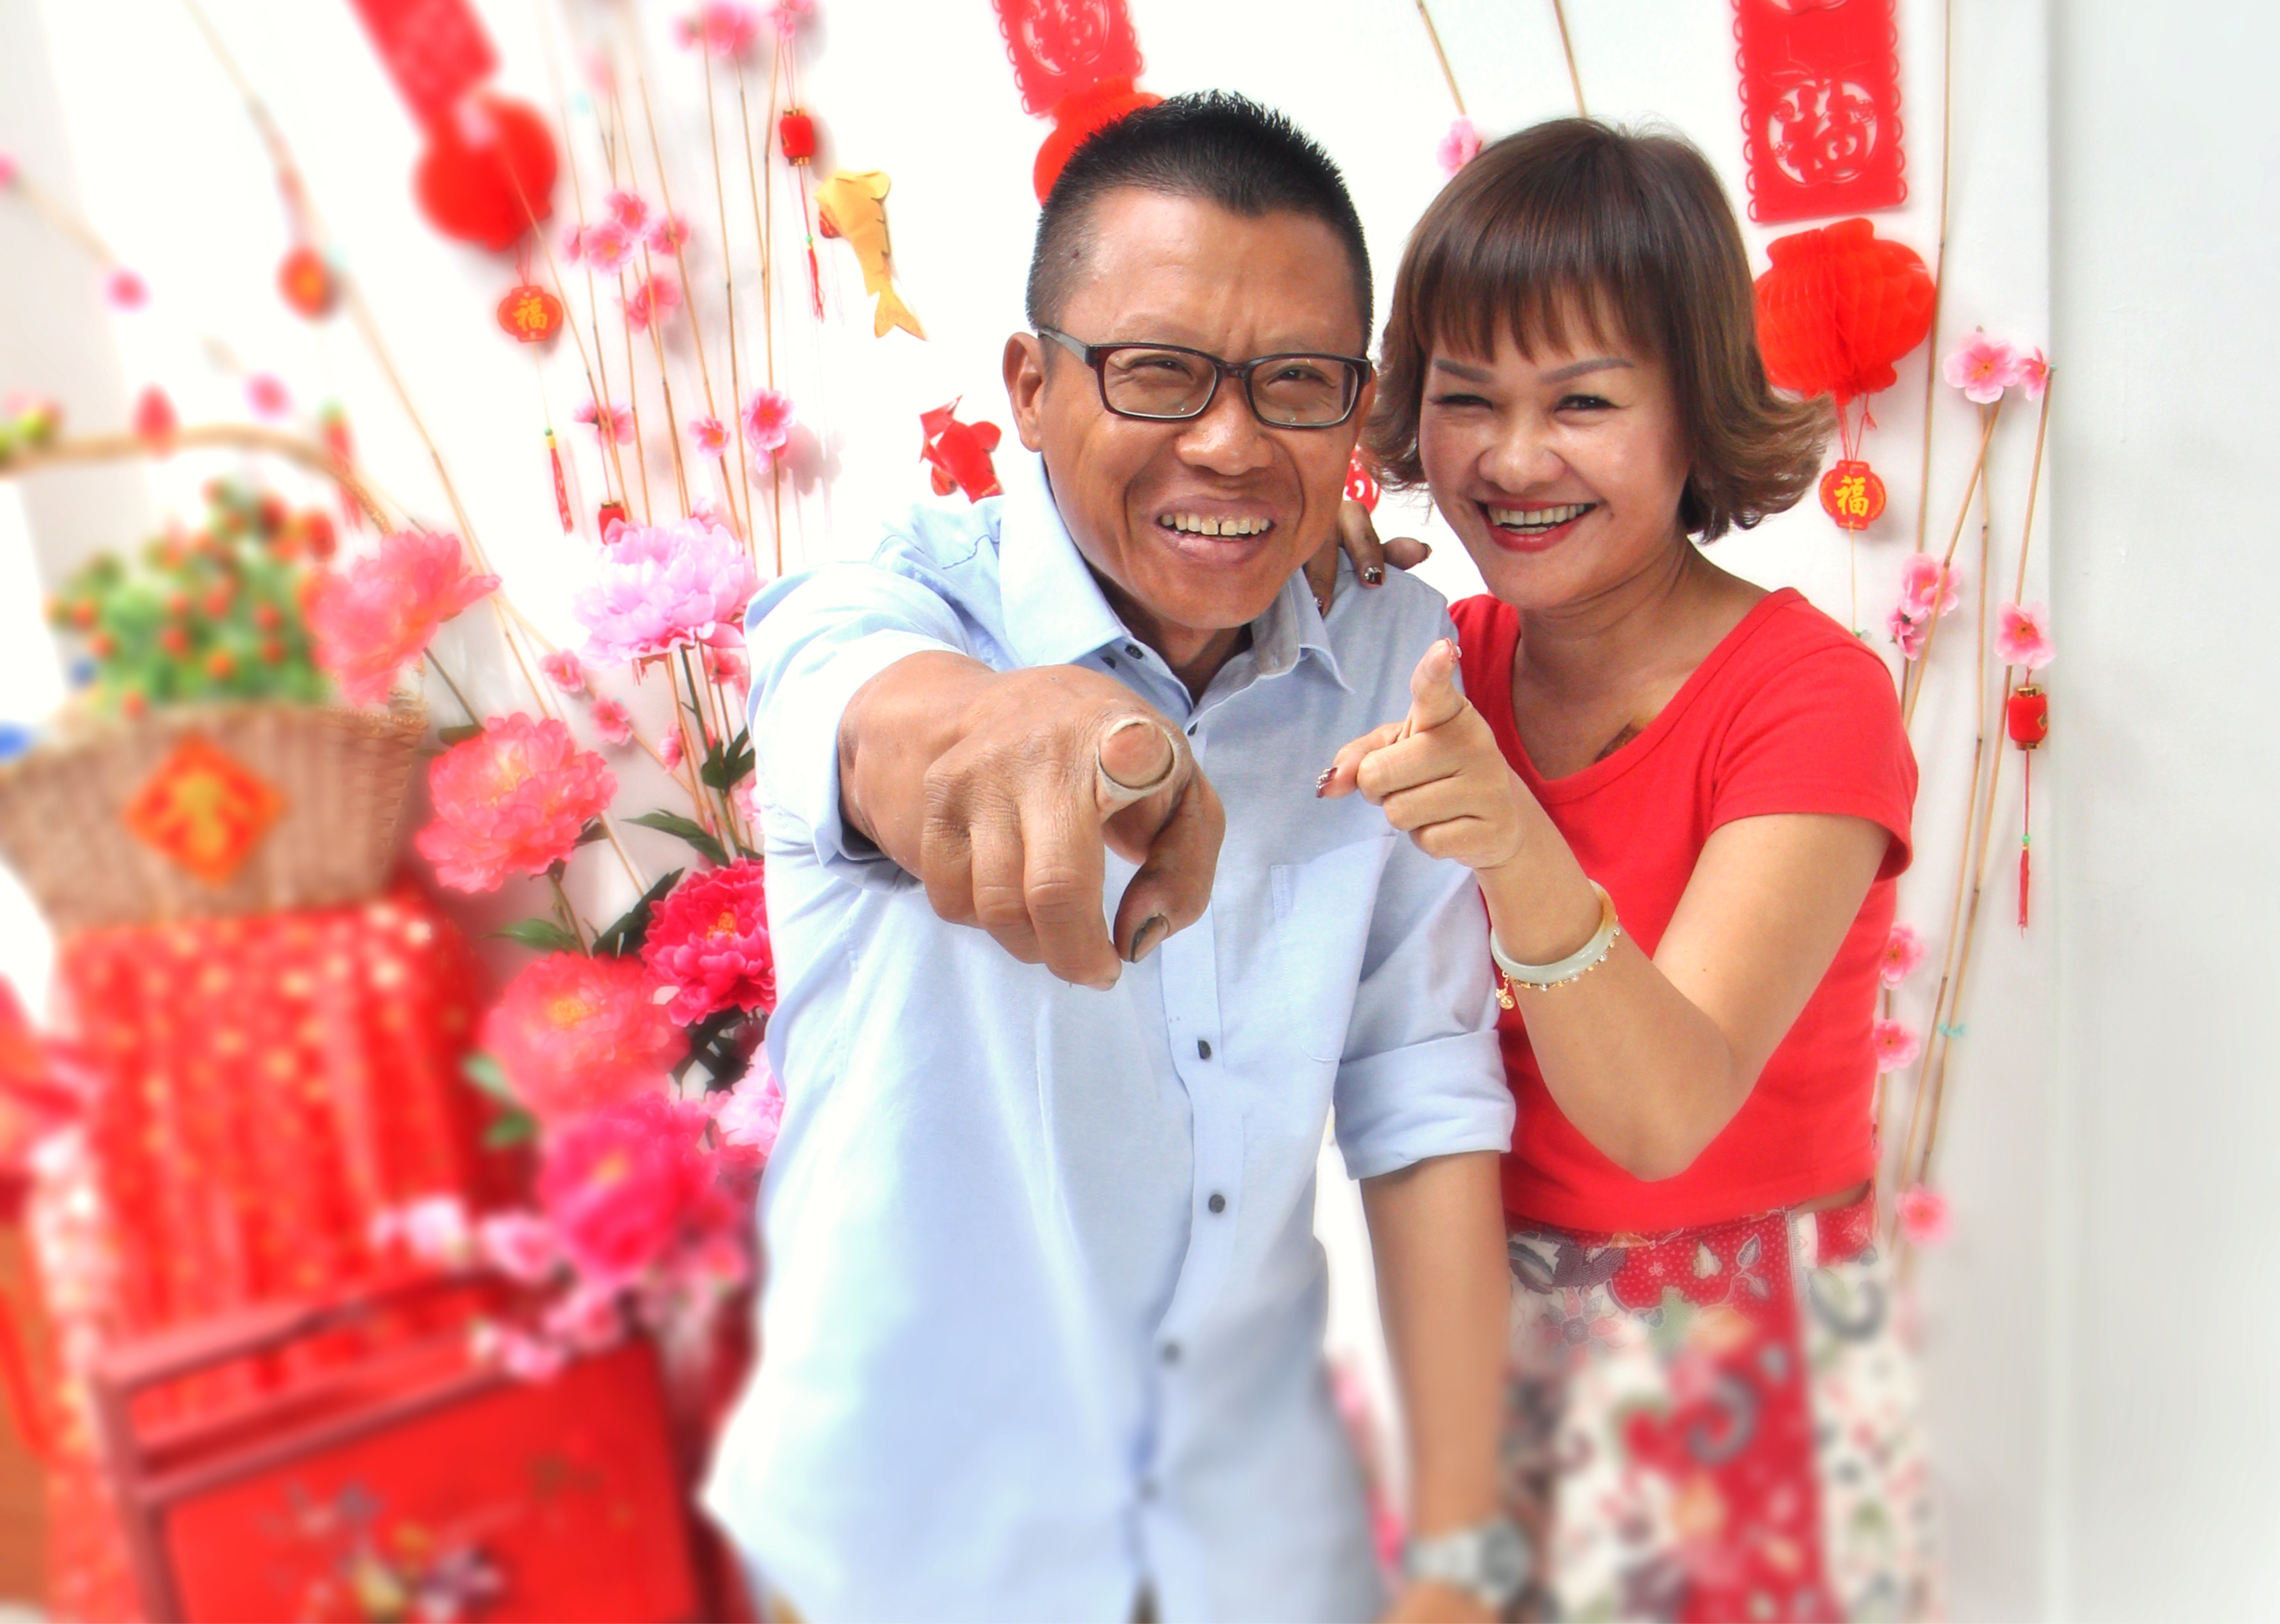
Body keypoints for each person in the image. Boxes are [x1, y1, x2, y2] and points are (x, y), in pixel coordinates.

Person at [708, 94, 1530, 1624]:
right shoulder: (882, 603)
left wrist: (1461, 1548)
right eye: (1159, 370)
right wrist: (1046, 727)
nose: (1230, 440)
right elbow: (900, 734)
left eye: (1295, 384)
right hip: (917, 1554)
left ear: (1354, 412)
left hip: (1255, 1550)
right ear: (1032, 387)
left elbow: (1420, 1092)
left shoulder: (1393, 658)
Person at [1320, 121, 1935, 1620]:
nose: (1514, 459)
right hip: (1477, 1353)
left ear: (1695, 412)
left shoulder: (1810, 696)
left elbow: (1666, 1114)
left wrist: (1515, 839)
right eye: (1467, 398)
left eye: (1583, 401)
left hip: (1743, 1364)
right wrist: (1289, 593)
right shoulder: (1438, 664)